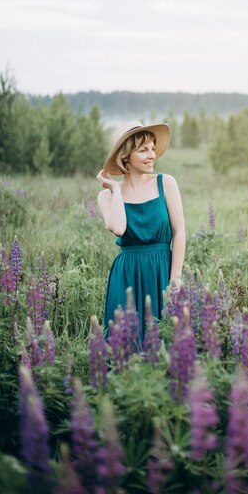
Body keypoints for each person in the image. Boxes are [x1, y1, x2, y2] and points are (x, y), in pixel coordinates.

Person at [96, 120, 185, 343]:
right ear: (126, 156)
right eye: (143, 150)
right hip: (127, 276)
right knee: (126, 345)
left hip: (161, 271)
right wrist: (116, 189)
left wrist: (175, 277)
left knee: (166, 342)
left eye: (153, 149)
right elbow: (118, 228)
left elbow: (180, 231)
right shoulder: (106, 197)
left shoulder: (166, 183)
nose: (152, 155)